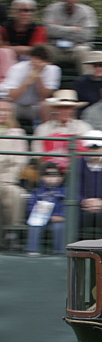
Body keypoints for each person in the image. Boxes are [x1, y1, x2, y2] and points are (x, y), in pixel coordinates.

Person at [0, 43, 59, 130]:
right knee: (5, 107)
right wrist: (27, 82)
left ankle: (45, 134)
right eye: (37, 59)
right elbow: (11, 97)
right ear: (31, 58)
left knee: (46, 106)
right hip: (16, 105)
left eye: (43, 61)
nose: (39, 63)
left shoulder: (53, 70)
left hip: (36, 106)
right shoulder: (17, 68)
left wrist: (38, 77)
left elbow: (44, 96)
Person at [32, 89, 91, 172]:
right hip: (51, 173)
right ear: (54, 109)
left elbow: (91, 154)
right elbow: (37, 156)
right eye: (61, 108)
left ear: (73, 110)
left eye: (68, 108)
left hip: (79, 173)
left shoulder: (84, 127)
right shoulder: (42, 129)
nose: (65, 111)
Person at [43, 0, 96, 75]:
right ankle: (44, 86)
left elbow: (86, 35)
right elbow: (48, 30)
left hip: (76, 49)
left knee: (83, 51)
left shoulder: (87, 11)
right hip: (56, 49)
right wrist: (73, 29)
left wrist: (59, 28)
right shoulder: (52, 9)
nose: (69, 0)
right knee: (43, 50)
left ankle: (87, 84)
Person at [0, 100, 28, 249]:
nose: (2, 113)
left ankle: (12, 232)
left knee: (15, 193)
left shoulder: (18, 133)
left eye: (6, 110)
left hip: (8, 179)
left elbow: (20, 161)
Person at [25, 161, 66, 255]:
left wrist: (62, 216)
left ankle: (59, 252)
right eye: (48, 175)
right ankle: (32, 250)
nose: (52, 178)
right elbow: (31, 206)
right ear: (42, 177)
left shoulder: (64, 191)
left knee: (59, 227)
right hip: (41, 218)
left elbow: (66, 206)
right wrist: (37, 214)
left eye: (55, 175)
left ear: (60, 177)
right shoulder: (37, 191)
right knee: (34, 225)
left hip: (58, 218)